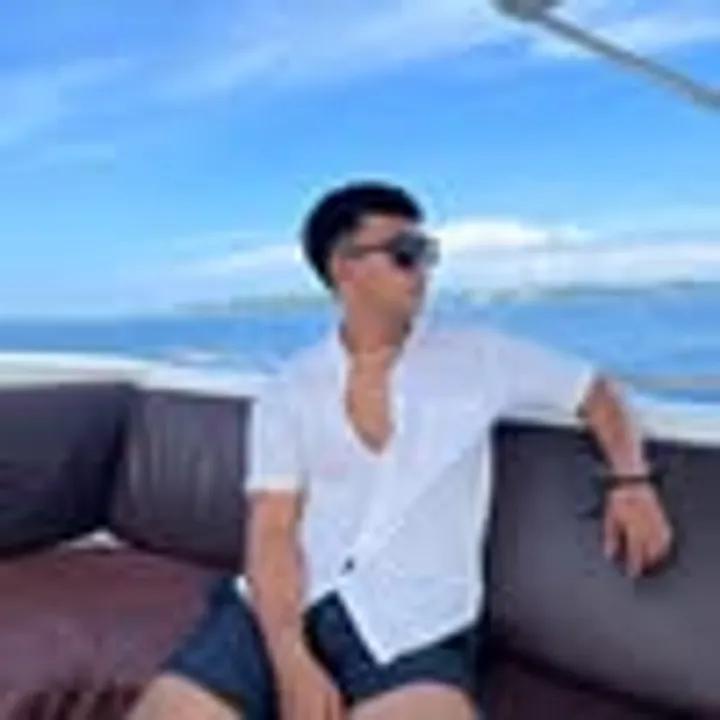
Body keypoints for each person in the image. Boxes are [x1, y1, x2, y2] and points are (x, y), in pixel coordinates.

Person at [129, 181, 674, 720]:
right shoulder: (290, 389)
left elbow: (595, 392)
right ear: (344, 267)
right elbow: (272, 530)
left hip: (414, 625)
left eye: (426, 253)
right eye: (405, 254)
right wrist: (290, 659)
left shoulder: (481, 357)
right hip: (281, 608)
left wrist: (631, 482)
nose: (423, 270)